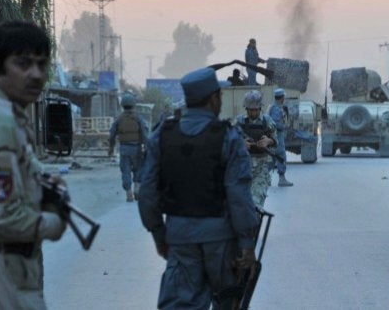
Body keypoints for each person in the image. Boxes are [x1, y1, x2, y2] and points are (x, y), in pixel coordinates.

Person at [138, 67, 259, 309]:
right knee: (228, 301)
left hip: (180, 241)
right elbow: (239, 195)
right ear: (214, 98)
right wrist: (247, 244)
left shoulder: (163, 134)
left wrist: (158, 234)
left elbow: (147, 193)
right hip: (222, 243)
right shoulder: (229, 137)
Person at [0, 20, 67, 309]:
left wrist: (42, 185)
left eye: (42, 65)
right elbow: (1, 214)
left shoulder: (4, 115)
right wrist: (53, 223)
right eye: (23, 63)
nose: (36, 74)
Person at [236, 90, 277, 208]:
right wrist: (240, 143)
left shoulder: (267, 121)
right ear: (246, 108)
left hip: (261, 168)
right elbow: (228, 141)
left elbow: (276, 141)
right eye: (250, 109)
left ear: (260, 108)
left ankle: (254, 225)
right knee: (241, 206)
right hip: (242, 169)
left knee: (256, 203)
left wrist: (268, 141)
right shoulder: (239, 121)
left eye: (256, 109)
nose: (253, 112)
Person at [108, 93, 149, 202]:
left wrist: (111, 148)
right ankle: (137, 189)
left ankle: (128, 194)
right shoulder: (138, 118)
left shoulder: (118, 119)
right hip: (137, 148)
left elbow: (111, 135)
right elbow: (144, 135)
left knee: (125, 171)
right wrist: (147, 148)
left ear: (122, 105)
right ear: (133, 105)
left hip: (124, 149)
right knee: (138, 169)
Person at [269, 88, 294, 187]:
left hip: (275, 137)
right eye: (284, 97)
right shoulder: (276, 108)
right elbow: (274, 123)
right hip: (277, 137)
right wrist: (284, 127)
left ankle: (266, 178)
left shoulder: (276, 106)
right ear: (282, 97)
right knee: (281, 157)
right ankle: (282, 179)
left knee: (272, 159)